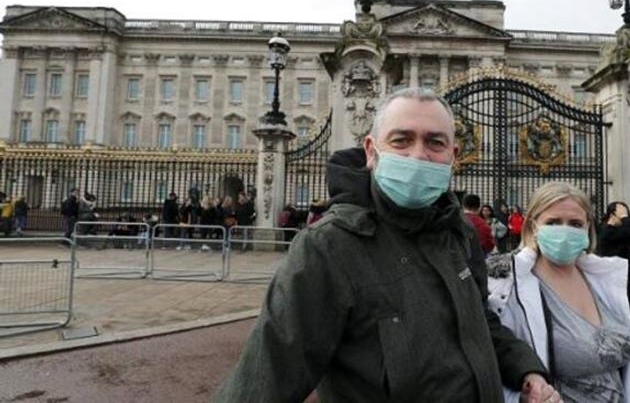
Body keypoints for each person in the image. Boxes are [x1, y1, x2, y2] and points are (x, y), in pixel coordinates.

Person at [215, 88, 557, 402]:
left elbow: (479, 321)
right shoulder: (327, 247)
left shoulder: (461, 233)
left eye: (435, 142)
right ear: (371, 151)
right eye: (401, 140)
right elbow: (265, 380)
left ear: (453, 155)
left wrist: (526, 369)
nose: (418, 155)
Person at [487, 182, 630, 402]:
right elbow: (492, 364)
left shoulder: (602, 278)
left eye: (575, 224)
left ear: (588, 228)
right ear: (533, 227)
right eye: (553, 222)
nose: (565, 231)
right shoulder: (506, 286)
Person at [597, 201, 630, 323]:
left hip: (627, 278)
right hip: (610, 278)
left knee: (629, 311)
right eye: (622, 213)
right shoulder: (606, 229)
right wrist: (622, 220)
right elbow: (605, 240)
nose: (625, 216)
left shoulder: (624, 229)